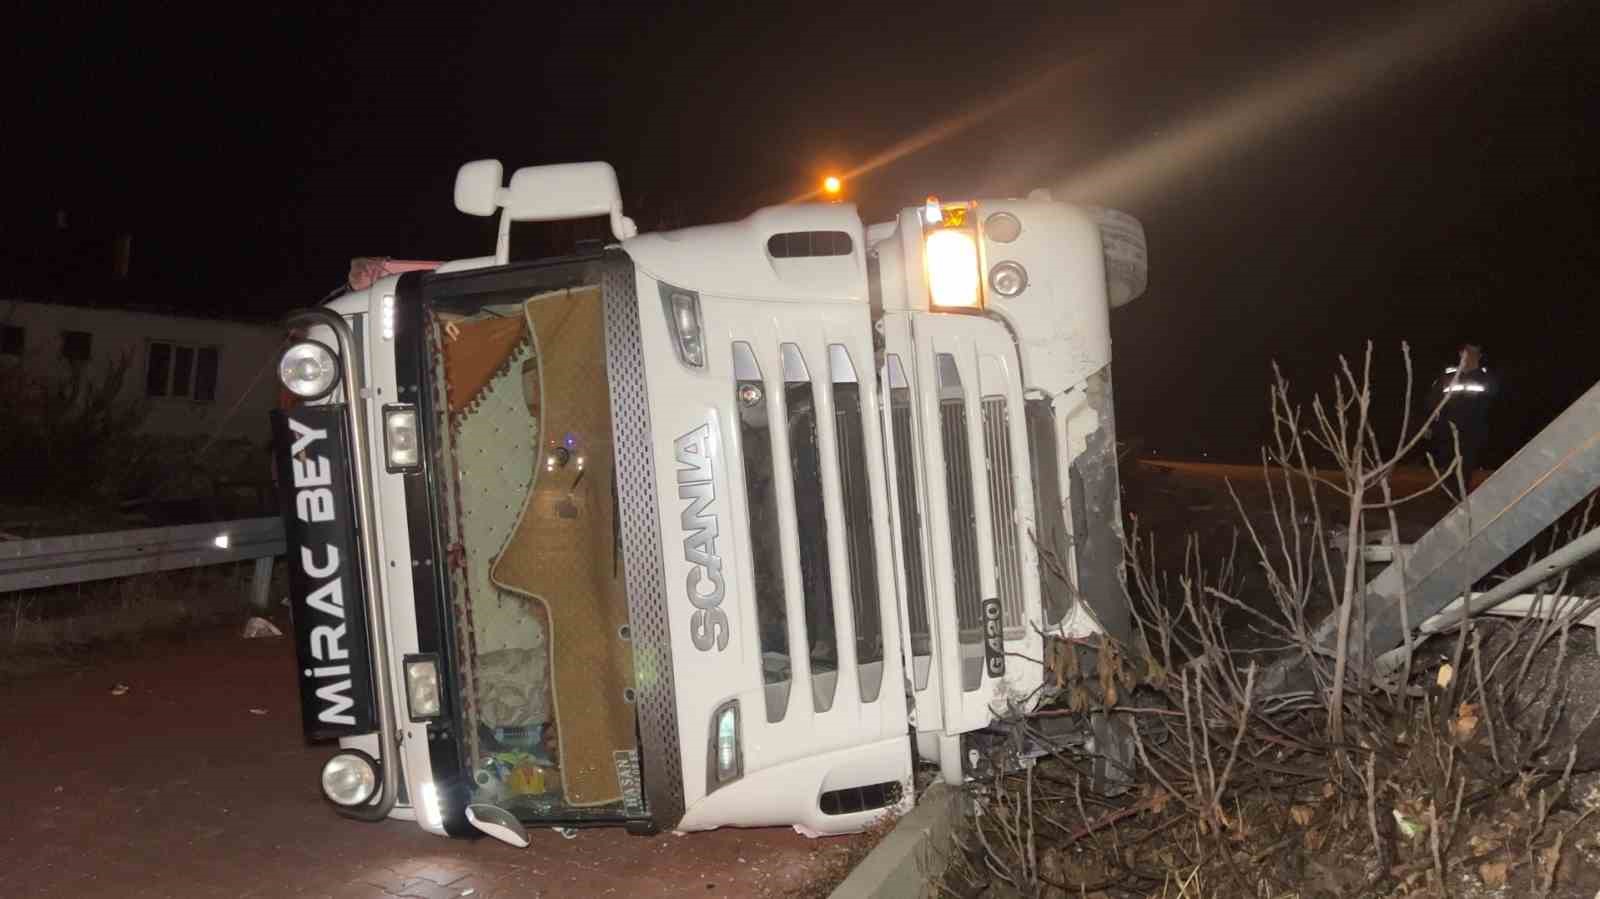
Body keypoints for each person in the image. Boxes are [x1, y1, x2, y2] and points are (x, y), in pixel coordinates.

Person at [1425, 343, 1498, 480]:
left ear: (1480, 356)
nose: (1471, 356)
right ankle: (1449, 497)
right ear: (1461, 354)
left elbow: (1494, 400)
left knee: (1465, 469)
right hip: (1447, 432)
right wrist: (1429, 426)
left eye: (1475, 353)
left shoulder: (1485, 377)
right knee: (1448, 468)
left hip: (1472, 433)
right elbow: (1432, 402)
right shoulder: (1448, 376)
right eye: (1468, 352)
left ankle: (1460, 496)